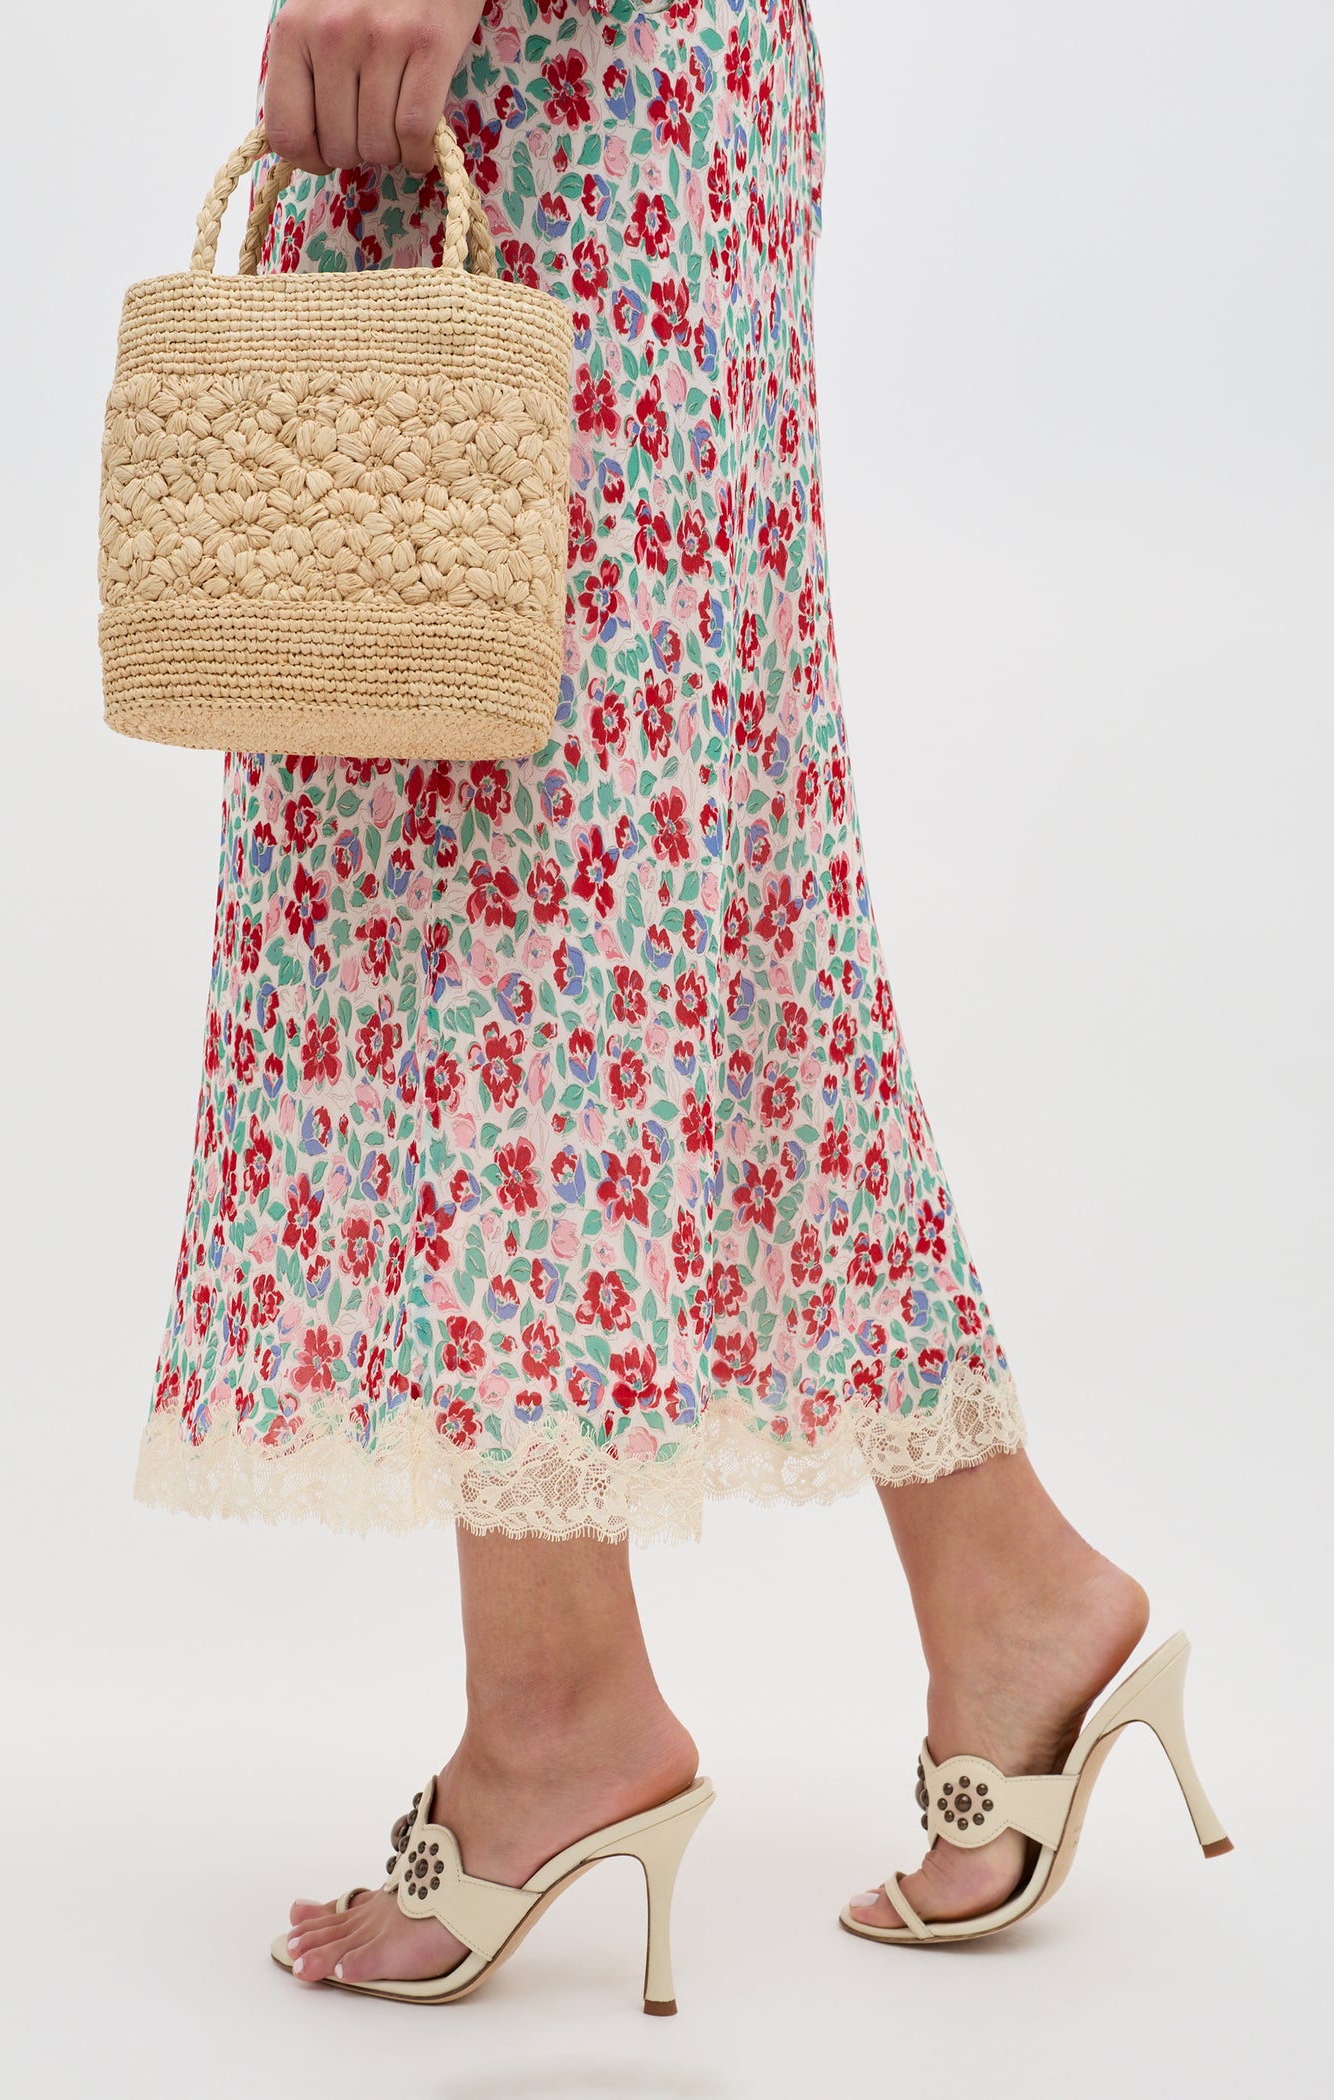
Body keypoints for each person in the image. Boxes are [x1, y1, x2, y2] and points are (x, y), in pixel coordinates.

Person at [134, 0, 1225, 2003]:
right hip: (597, 86)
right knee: (660, 882)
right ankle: (1009, 1596)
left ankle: (562, 1717)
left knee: (511, 865)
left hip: (571, 71)